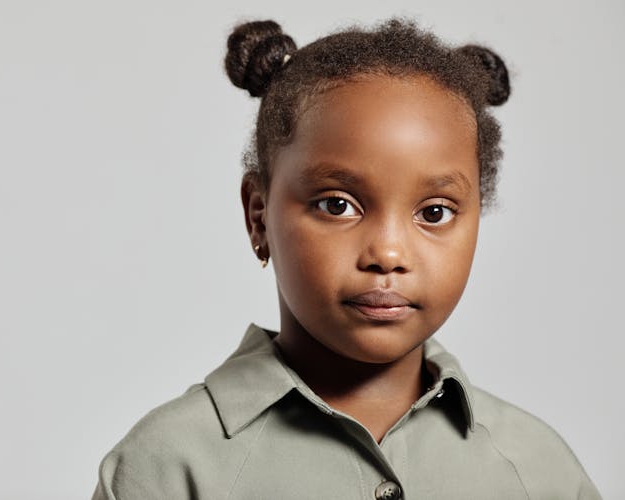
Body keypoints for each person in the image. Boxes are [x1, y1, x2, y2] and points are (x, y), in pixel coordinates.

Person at [91, 18, 601, 500]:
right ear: (258, 216)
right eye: (338, 205)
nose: (389, 254)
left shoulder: (539, 470)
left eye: (435, 212)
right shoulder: (167, 468)